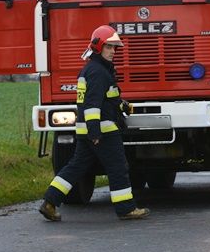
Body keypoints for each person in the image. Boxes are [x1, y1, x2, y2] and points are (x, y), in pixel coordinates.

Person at [39, 25, 150, 221]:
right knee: (118, 167)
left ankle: (50, 202)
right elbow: (91, 105)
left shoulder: (92, 70)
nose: (113, 52)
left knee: (76, 168)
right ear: (98, 47)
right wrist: (95, 132)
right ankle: (126, 208)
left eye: (115, 48)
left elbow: (102, 98)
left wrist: (121, 105)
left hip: (88, 131)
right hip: (103, 131)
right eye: (109, 47)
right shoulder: (99, 72)